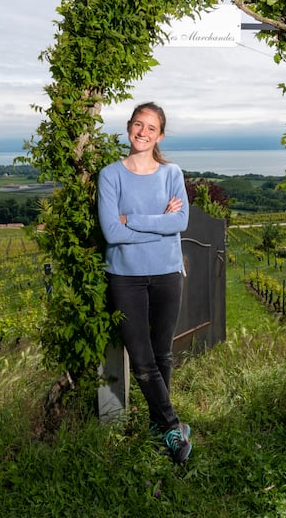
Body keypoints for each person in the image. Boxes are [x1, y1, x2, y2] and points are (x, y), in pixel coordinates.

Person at [97, 101, 192, 465]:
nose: (143, 132)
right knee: (141, 360)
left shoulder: (172, 174)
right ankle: (172, 426)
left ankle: (159, 428)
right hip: (125, 279)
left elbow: (180, 222)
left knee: (163, 353)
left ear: (160, 135)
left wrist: (132, 219)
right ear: (128, 127)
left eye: (151, 128)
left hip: (167, 274)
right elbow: (110, 231)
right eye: (138, 125)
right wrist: (158, 226)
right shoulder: (111, 176)